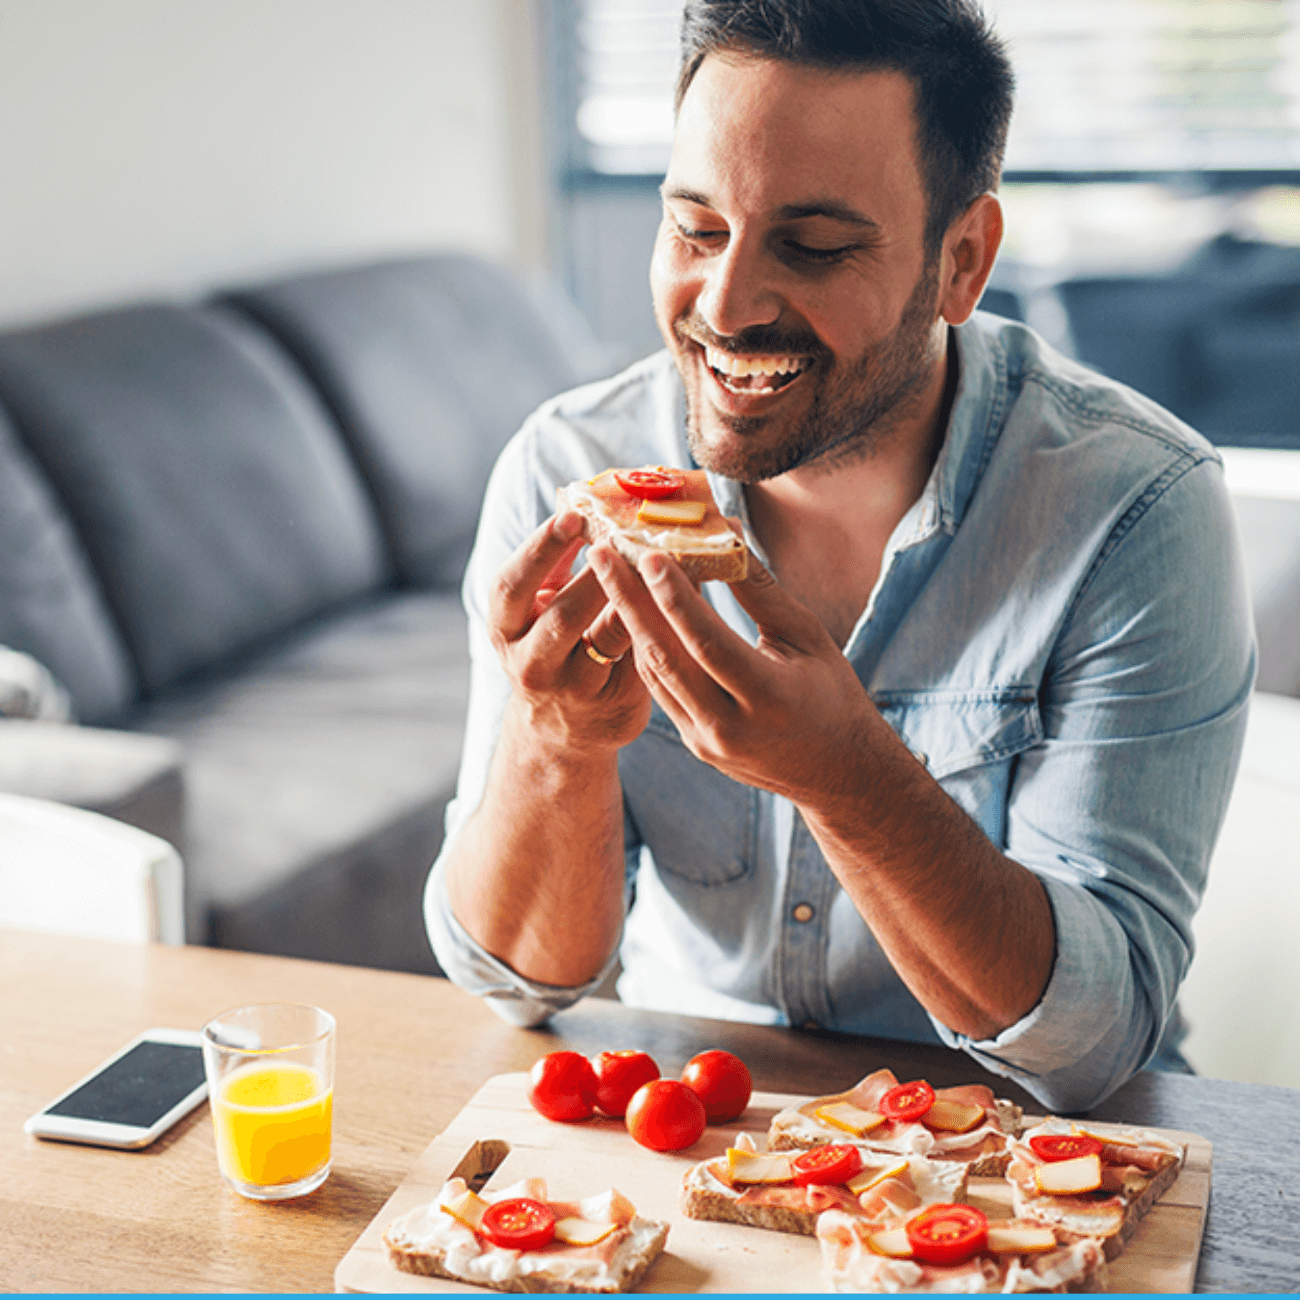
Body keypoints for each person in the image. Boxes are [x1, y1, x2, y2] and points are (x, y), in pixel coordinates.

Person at [425, 0, 1254, 1113]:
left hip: (1026, 1156)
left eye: (811, 247)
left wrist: (842, 773)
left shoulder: (1137, 507)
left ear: (961, 261)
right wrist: (553, 747)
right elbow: (514, 979)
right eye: (695, 228)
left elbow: (1093, 1044)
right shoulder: (570, 469)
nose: (725, 306)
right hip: (703, 1116)